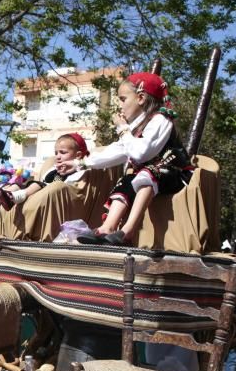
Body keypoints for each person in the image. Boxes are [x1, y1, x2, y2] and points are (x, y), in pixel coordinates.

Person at [61, 73, 192, 246]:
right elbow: (118, 150)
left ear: (141, 98)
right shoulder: (135, 127)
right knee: (128, 180)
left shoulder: (161, 120)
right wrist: (80, 163)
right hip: (153, 176)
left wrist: (122, 129)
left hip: (176, 174)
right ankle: (107, 227)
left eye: (122, 99)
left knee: (146, 173)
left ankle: (127, 231)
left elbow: (140, 153)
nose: (119, 105)